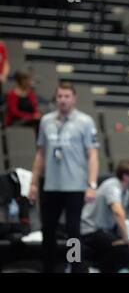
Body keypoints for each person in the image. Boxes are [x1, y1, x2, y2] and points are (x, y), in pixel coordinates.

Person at [29, 82, 100, 273]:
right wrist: (33, 183)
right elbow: (40, 153)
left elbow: (92, 154)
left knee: (73, 232)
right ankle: (49, 268)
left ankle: (76, 268)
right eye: (59, 96)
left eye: (66, 96)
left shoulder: (85, 122)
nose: (63, 100)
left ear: (74, 98)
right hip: (51, 186)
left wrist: (91, 184)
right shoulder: (46, 121)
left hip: (75, 186)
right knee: (48, 230)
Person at [81, 159, 129, 273]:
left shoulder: (126, 192)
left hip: (105, 231)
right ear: (125, 176)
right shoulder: (112, 185)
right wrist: (125, 238)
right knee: (123, 249)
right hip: (89, 229)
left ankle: (98, 269)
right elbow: (118, 212)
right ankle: (96, 270)